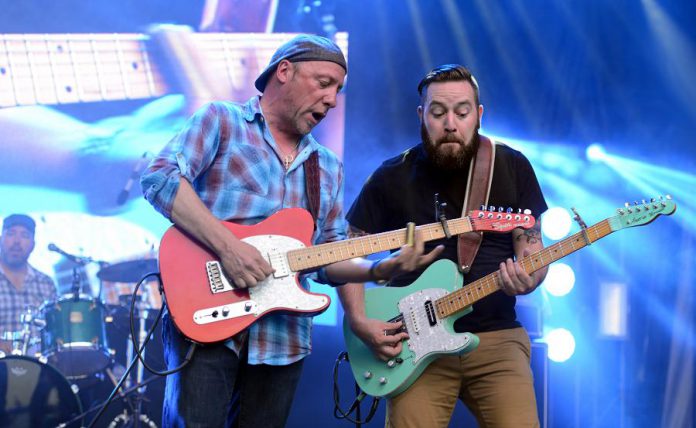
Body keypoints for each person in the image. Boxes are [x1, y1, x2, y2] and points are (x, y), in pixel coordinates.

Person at [141, 34, 440, 427]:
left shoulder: (327, 167)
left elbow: (328, 255)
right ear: (284, 71)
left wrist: (376, 271)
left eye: (337, 90)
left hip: (282, 340)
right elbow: (160, 178)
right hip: (205, 317)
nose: (332, 100)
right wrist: (229, 248)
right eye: (323, 83)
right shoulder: (222, 120)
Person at [339, 64, 549, 427]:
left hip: (497, 339)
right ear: (422, 116)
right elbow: (348, 253)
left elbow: (532, 247)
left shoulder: (512, 166)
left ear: (478, 116)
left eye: (462, 112)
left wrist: (530, 276)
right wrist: (358, 320)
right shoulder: (391, 176)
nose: (450, 123)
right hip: (414, 346)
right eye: (438, 113)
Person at [0, 214, 57, 355]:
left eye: (24, 235)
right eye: (11, 233)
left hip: (39, 368)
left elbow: (55, 331)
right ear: (1, 239)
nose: (17, 241)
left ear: (33, 245)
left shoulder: (46, 284)